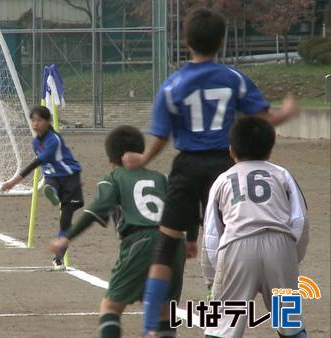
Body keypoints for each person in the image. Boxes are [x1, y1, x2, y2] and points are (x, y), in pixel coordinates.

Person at [120, 8, 299, 337]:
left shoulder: (172, 85)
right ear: (221, 41)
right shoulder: (233, 78)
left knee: (166, 244)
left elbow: (161, 136)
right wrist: (286, 112)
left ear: (186, 42)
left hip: (187, 165)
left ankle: (150, 327)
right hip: (225, 167)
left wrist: (143, 159)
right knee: (225, 236)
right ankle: (228, 305)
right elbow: (264, 117)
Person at [51, 125, 185, 338]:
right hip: (175, 243)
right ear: (141, 153)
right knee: (164, 312)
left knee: (110, 308)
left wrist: (66, 237)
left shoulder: (113, 178)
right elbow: (183, 207)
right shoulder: (161, 177)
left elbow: (95, 211)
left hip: (140, 241)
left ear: (111, 160)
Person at [202, 116, 308, 338]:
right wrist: (291, 256)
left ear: (231, 151)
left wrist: (213, 276)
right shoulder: (282, 174)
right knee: (289, 322)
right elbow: (299, 221)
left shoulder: (222, 180)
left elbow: (212, 234)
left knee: (222, 325)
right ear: (270, 150)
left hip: (237, 246)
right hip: (280, 245)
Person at [1, 105, 83, 269]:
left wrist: (13, 182)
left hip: (69, 177)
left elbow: (37, 162)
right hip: (53, 177)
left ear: (48, 121)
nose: (35, 124)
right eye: (33, 120)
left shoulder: (54, 140)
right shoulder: (35, 142)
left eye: (39, 120)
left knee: (65, 222)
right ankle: (52, 192)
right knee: (50, 185)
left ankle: (58, 257)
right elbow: (41, 164)